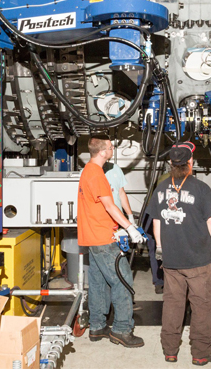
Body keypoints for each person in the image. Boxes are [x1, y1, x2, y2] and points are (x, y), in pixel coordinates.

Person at [148, 142, 211, 365]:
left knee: (173, 304)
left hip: (172, 259)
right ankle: (201, 353)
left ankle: (170, 350)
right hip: (198, 260)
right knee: (201, 305)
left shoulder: (161, 189)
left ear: (171, 164)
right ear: (190, 163)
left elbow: (157, 222)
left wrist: (161, 248)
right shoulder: (201, 189)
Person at [77, 135, 146, 348]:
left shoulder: (87, 171)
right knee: (123, 280)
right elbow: (110, 206)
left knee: (98, 283)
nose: (113, 148)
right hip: (103, 239)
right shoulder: (97, 175)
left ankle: (97, 326)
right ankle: (122, 330)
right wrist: (130, 227)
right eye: (111, 146)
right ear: (103, 151)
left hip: (92, 237)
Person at [104, 159, 135, 225]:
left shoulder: (115, 168)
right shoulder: (87, 172)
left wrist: (130, 216)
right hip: (102, 221)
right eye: (110, 148)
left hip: (119, 220)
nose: (112, 149)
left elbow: (121, 193)